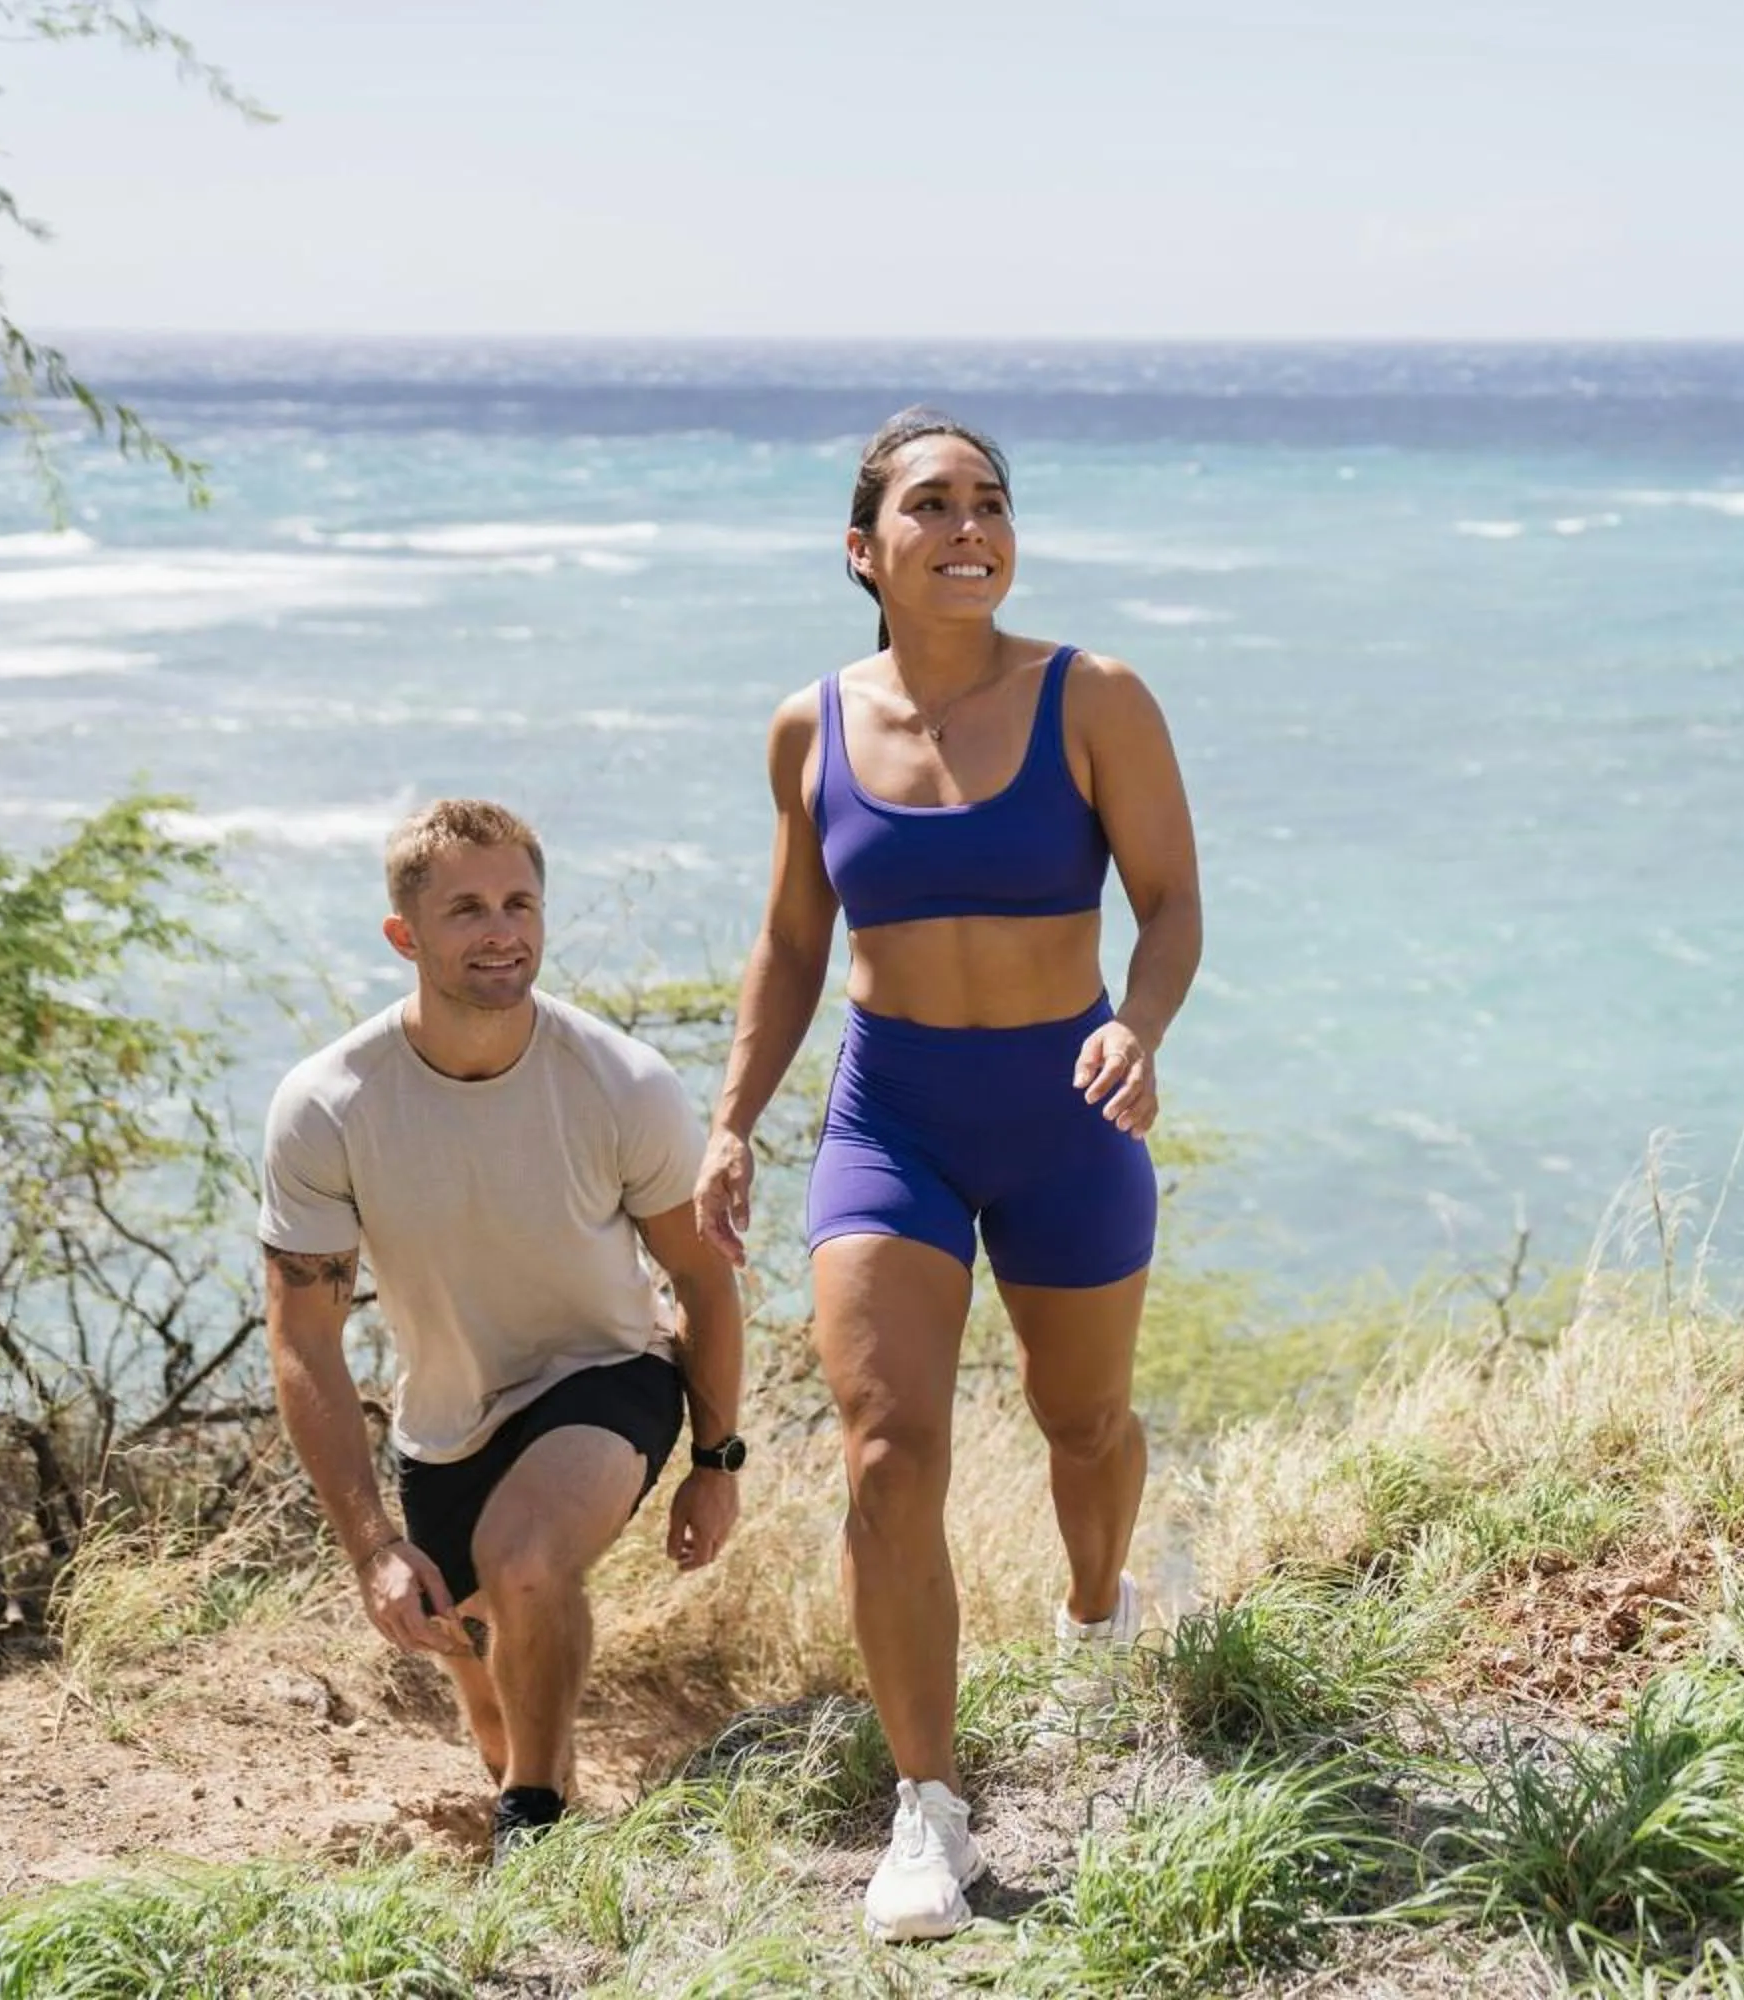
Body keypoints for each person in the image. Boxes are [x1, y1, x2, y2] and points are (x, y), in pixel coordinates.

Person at [695, 409, 1202, 1942]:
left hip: (1065, 1107)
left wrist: (1139, 1023)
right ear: (866, 551)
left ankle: (1098, 1611)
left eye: (990, 501)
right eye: (932, 506)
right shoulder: (809, 728)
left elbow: (1172, 903)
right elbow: (791, 945)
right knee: (886, 1451)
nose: (970, 525)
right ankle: (930, 1814)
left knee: (1084, 1422)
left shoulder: (1094, 696)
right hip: (892, 1115)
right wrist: (731, 1121)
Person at [260, 798, 747, 1855]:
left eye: (521, 902)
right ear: (406, 934)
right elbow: (305, 1341)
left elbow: (704, 1282)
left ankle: (537, 1826)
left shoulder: (621, 1080)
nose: (502, 930)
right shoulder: (330, 1103)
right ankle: (550, 1796)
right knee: (494, 1713)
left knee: (525, 1558)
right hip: (444, 1431)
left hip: (606, 1373)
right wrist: (374, 1546)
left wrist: (717, 1456)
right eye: (469, 908)